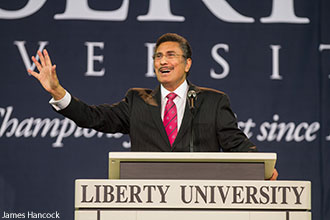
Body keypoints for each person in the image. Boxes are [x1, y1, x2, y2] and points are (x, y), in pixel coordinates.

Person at [28, 33, 278, 179]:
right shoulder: (137, 100)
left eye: (170, 55)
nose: (162, 61)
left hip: (202, 202)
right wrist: (57, 91)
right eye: (158, 56)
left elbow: (237, 144)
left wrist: (262, 167)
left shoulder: (213, 101)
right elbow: (94, 117)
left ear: (187, 64)